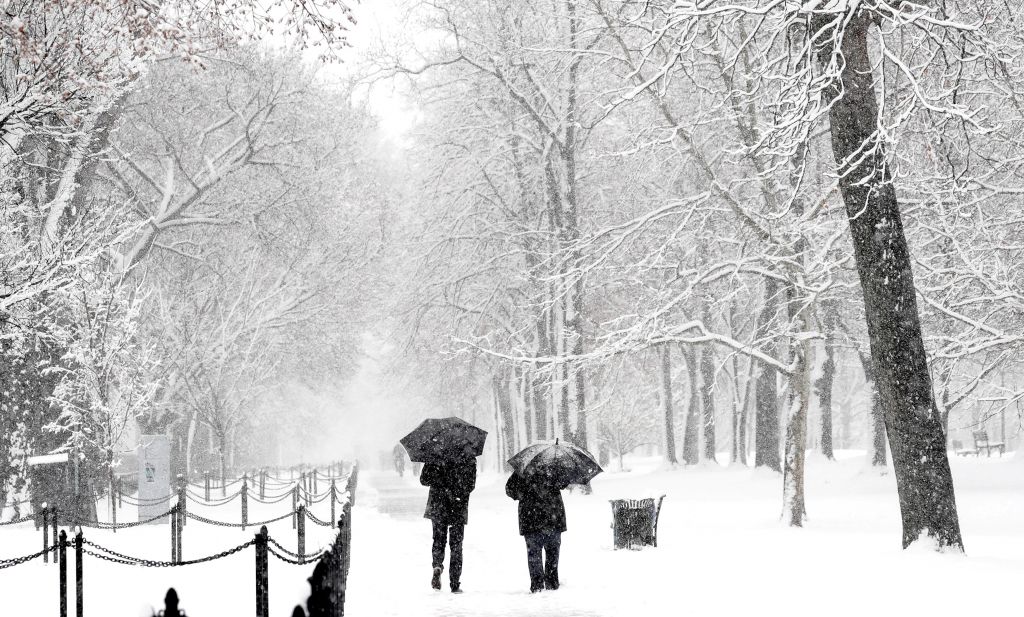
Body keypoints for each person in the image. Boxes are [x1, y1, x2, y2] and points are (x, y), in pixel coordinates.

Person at [420, 455, 477, 593]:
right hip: (457, 506)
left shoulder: (435, 455)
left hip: (437, 505)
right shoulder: (468, 458)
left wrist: (440, 481)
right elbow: (470, 485)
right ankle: (455, 583)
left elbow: (423, 480)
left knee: (439, 540)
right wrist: (456, 491)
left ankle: (437, 566)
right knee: (456, 545)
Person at [505, 470, 567, 593]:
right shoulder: (553, 468)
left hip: (531, 519)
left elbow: (510, 489)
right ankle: (551, 583)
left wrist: (522, 493)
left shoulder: (522, 470)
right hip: (552, 516)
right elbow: (564, 483)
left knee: (535, 555)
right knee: (552, 553)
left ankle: (537, 584)